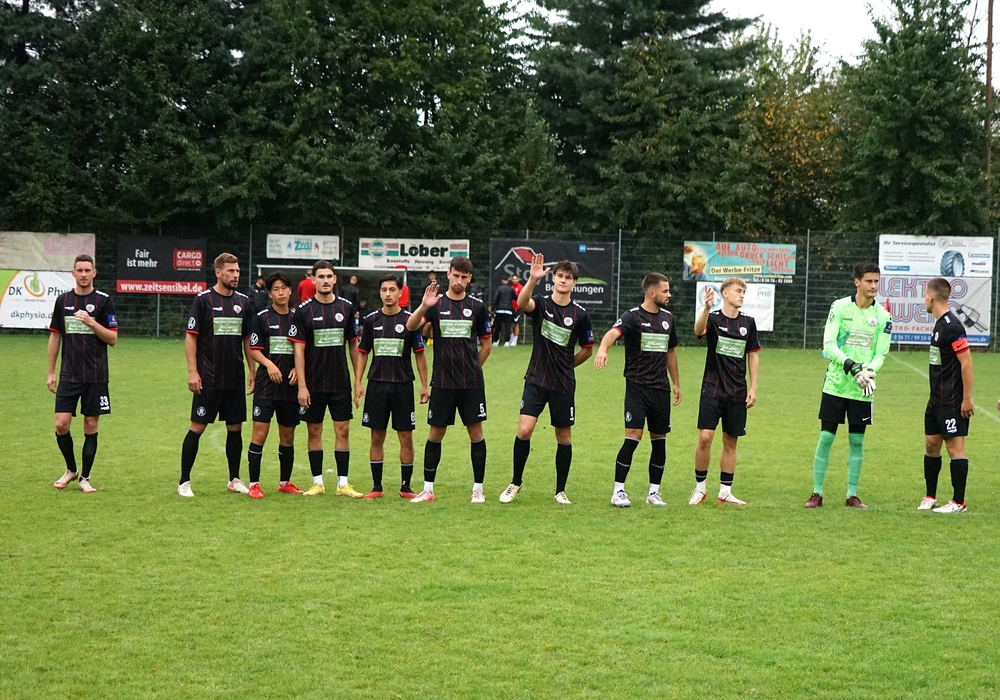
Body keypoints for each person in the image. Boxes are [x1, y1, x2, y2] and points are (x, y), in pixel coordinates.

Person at [499, 256, 594, 505]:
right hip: (536, 379)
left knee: (563, 437)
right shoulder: (541, 304)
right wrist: (532, 279)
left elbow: (587, 349)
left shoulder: (580, 315)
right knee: (524, 430)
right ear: (553, 278)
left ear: (574, 283)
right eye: (559, 276)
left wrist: (568, 365)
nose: (563, 280)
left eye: (568, 278)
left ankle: (560, 491)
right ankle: (515, 483)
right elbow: (522, 303)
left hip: (563, 384)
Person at [405, 256, 492, 503]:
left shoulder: (477, 307)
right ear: (448, 274)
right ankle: (428, 489)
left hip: (471, 384)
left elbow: (486, 346)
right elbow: (410, 327)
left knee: (476, 433)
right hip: (443, 383)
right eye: (456, 275)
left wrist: (472, 369)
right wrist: (423, 306)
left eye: (464, 277)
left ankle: (478, 489)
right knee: (435, 434)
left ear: (469, 278)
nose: (459, 281)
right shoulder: (436, 304)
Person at [805, 260, 891, 509]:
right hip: (835, 385)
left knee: (857, 441)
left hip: (862, 387)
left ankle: (852, 495)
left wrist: (869, 372)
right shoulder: (840, 307)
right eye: (869, 281)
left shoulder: (883, 316)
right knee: (826, 437)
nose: (874, 286)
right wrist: (852, 366)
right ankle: (817, 493)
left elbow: (881, 353)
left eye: (876, 281)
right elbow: (829, 344)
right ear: (857, 282)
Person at [592, 272, 680, 507]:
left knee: (659, 441)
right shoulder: (632, 317)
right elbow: (613, 333)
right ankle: (618, 491)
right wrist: (603, 349)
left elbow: (671, 352)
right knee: (633, 437)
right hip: (637, 388)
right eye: (665, 291)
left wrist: (676, 383)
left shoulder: (668, 319)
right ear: (652, 293)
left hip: (661, 390)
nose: (669, 295)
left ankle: (654, 493)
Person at [178, 253, 255, 498]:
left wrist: (252, 370)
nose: (236, 275)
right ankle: (184, 481)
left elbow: (248, 340)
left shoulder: (244, 302)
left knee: (235, 428)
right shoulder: (203, 301)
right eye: (231, 271)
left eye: (238, 271)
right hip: (208, 378)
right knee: (197, 427)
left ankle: (234, 479)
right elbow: (191, 337)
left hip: (234, 378)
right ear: (218, 273)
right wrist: (193, 371)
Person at [354, 274, 430, 498]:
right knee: (377, 437)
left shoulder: (410, 321)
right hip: (377, 385)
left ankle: (405, 487)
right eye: (384, 290)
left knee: (405, 437)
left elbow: (419, 354)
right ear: (380, 293)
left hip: (402, 386)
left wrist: (424, 385)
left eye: (392, 290)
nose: (388, 294)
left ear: (400, 293)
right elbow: (362, 352)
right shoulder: (371, 320)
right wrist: (357, 382)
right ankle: (376, 487)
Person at [290, 261, 362, 497]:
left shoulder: (346, 307)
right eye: (320, 276)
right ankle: (317, 483)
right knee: (314, 431)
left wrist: (357, 380)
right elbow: (299, 350)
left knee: (343, 430)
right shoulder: (303, 311)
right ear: (313, 280)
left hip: (340, 382)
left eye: (329, 276)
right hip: (313, 384)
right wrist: (302, 386)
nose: (325, 280)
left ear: (335, 279)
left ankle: (343, 484)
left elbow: (353, 344)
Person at [49, 254, 119, 493]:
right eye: (79, 270)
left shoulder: (104, 301)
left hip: (96, 376)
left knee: (90, 424)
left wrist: (92, 323)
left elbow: (113, 338)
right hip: (69, 374)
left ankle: (85, 478)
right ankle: (71, 469)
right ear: (73, 273)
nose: (83, 274)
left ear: (94, 273)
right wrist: (51, 372)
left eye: (87, 270)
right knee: (61, 424)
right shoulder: (63, 301)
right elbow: (55, 336)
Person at [689, 278, 760, 506]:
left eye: (744, 291)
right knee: (705, 438)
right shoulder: (713, 319)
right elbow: (698, 331)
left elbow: (753, 355)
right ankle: (700, 488)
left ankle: (725, 492)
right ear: (725, 293)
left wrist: (753, 387)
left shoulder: (748, 322)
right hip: (712, 389)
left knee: (731, 442)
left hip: (737, 392)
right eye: (738, 291)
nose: (742, 295)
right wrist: (706, 308)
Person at [246, 272, 305, 498]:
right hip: (266, 386)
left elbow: (305, 349)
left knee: (287, 437)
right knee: (259, 434)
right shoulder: (261, 318)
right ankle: (254, 484)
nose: (281, 293)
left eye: (284, 288)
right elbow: (254, 349)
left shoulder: (299, 317)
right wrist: (269, 364)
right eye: (276, 289)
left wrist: (297, 369)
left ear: (290, 290)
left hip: (289, 387)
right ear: (270, 294)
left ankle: (284, 482)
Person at [919, 277, 974, 513]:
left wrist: (967, 398)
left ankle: (958, 502)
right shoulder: (940, 324)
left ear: (931, 297)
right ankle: (930, 496)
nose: (924, 299)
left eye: (925, 295)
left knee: (954, 449)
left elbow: (966, 363)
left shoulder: (952, 326)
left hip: (951, 400)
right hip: (935, 400)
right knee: (931, 445)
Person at [490, 275, 515, 347]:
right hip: (508, 311)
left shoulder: (499, 289)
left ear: (502, 281)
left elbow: (495, 299)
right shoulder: (511, 289)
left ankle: (496, 341)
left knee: (497, 326)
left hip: (499, 310)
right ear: (508, 281)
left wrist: (492, 308)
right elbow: (515, 298)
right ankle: (507, 342)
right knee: (507, 327)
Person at [508, 274, 524, 346]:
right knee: (509, 324)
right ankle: (511, 338)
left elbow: (522, 298)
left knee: (516, 323)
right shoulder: (510, 288)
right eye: (513, 279)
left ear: (518, 279)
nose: (514, 280)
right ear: (511, 280)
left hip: (517, 309)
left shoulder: (521, 287)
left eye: (516, 279)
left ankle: (515, 340)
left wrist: (518, 307)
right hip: (510, 308)